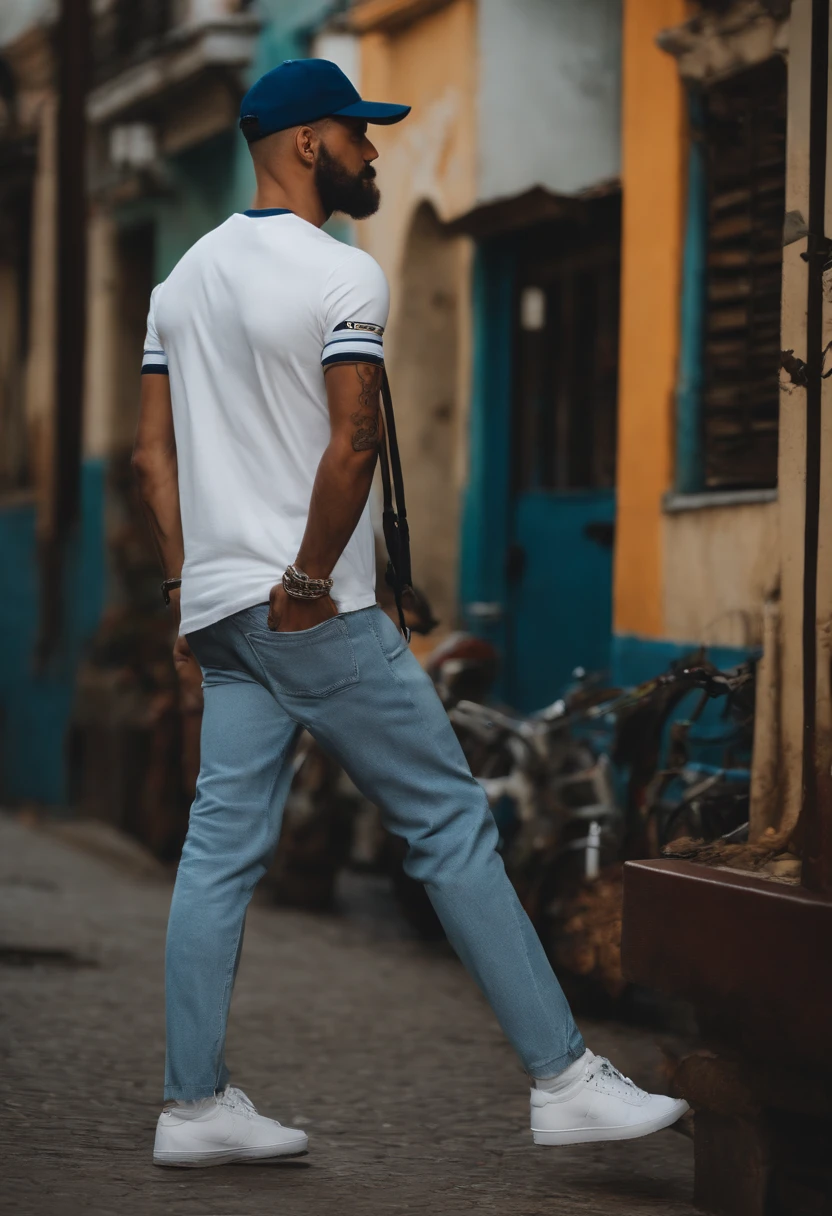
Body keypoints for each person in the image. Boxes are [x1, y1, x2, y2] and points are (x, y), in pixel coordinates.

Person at [133, 58, 688, 1169]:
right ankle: (566, 1078)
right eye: (356, 131)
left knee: (218, 853)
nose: (371, 150)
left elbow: (155, 456)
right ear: (304, 143)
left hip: (223, 614)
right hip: (308, 610)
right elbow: (356, 441)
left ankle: (192, 1105)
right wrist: (302, 581)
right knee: (448, 823)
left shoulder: (178, 283)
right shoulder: (343, 273)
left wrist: (188, 589)